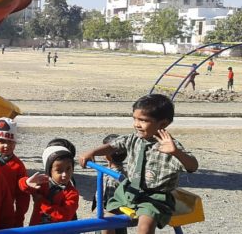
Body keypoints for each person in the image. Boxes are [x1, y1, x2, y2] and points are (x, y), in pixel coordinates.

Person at [79, 94, 199, 234]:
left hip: (155, 197)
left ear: (162, 124)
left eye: (143, 120)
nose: (136, 124)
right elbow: (113, 145)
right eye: (134, 118)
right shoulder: (134, 138)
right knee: (107, 222)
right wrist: (92, 152)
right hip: (129, 192)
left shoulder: (170, 147)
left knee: (144, 227)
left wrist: (176, 152)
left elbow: (192, 166)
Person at [19, 141, 79, 225]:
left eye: (68, 169)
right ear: (49, 171)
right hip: (37, 228)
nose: (64, 174)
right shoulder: (43, 183)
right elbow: (22, 186)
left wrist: (41, 202)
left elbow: (63, 215)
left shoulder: (72, 193)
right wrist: (27, 182)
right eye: (59, 170)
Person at [0, 117, 29, 227]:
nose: (6, 145)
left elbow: (22, 195)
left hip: (6, 213)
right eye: (1, 141)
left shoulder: (18, 166)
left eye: (10, 141)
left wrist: (19, 216)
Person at [92, 134, 127, 234]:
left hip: (108, 223)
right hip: (117, 219)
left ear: (107, 156)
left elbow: (110, 205)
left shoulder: (112, 178)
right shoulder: (123, 173)